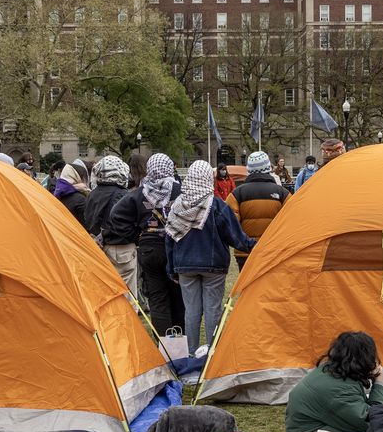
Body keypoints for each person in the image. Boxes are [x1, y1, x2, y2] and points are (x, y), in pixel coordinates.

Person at [164, 161, 256, 354]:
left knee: (191, 310)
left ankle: (192, 351)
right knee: (213, 309)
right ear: (208, 178)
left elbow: (170, 239)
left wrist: (172, 267)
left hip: (185, 266)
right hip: (214, 265)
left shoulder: (178, 206)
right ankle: (212, 351)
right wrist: (255, 246)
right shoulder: (215, 205)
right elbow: (234, 235)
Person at [107, 153, 184, 334]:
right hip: (176, 248)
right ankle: (180, 337)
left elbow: (115, 215)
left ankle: (164, 343)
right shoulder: (180, 191)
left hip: (149, 249)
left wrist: (136, 235)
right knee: (177, 296)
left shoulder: (140, 193)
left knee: (157, 298)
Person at [285, 331, 383, 432]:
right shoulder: (340, 391)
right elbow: (374, 421)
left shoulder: (330, 369)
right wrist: (379, 382)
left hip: (313, 431)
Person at [225, 151, 288, 270]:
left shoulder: (236, 194)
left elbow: (230, 224)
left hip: (245, 252)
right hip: (274, 250)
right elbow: (291, 221)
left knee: (247, 287)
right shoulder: (282, 193)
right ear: (268, 168)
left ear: (248, 169)